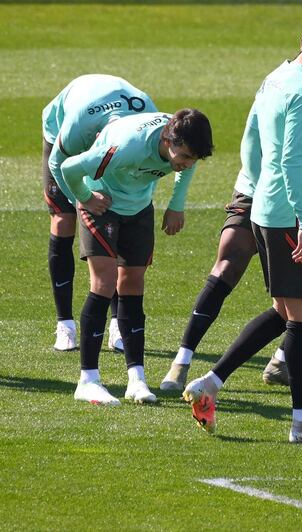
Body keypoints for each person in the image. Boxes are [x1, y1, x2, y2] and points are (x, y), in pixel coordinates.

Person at [181, 10, 302, 443]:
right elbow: (292, 160)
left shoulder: (280, 77)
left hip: (268, 207)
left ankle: (210, 384)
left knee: (287, 311)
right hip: (288, 213)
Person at [159, 59, 302, 392]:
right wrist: (263, 193)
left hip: (293, 197)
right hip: (264, 193)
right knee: (228, 268)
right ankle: (182, 362)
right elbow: (252, 140)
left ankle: (282, 362)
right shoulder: (288, 85)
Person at [60, 109, 213, 405]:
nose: (186, 163)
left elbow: (187, 165)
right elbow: (70, 167)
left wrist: (176, 204)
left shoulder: (184, 146)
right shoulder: (128, 146)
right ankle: (88, 380)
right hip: (101, 202)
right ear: (167, 140)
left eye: (192, 158)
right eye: (182, 156)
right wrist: (86, 197)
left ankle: (136, 380)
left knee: (133, 284)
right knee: (103, 283)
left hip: (139, 206)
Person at [42, 74, 157, 351]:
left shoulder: (144, 124)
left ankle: (117, 323)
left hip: (113, 147)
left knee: (118, 215)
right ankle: (65, 324)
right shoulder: (78, 124)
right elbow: (59, 164)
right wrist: (81, 201)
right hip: (62, 140)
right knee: (63, 220)